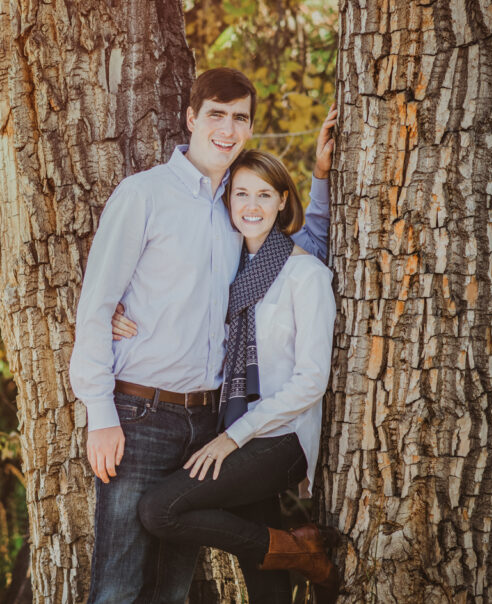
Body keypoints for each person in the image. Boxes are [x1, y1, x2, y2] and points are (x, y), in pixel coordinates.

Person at [68, 66, 337, 603]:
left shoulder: (236, 208)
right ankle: (287, 549)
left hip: (210, 418)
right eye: (216, 114)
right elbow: (96, 305)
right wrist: (100, 413)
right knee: (118, 585)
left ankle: (287, 551)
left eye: (240, 118)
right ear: (191, 118)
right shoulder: (144, 195)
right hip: (140, 416)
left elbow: (301, 250)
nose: (228, 128)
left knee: (171, 589)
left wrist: (322, 178)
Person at [134, 149, 338, 603]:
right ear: (228, 201)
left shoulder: (305, 274)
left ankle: (301, 553)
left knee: (159, 509)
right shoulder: (227, 273)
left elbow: (311, 380)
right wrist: (120, 314)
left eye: (264, 194)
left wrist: (233, 438)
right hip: (233, 427)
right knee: (264, 584)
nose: (251, 205)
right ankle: (293, 552)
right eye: (241, 193)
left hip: (280, 438)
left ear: (283, 200)